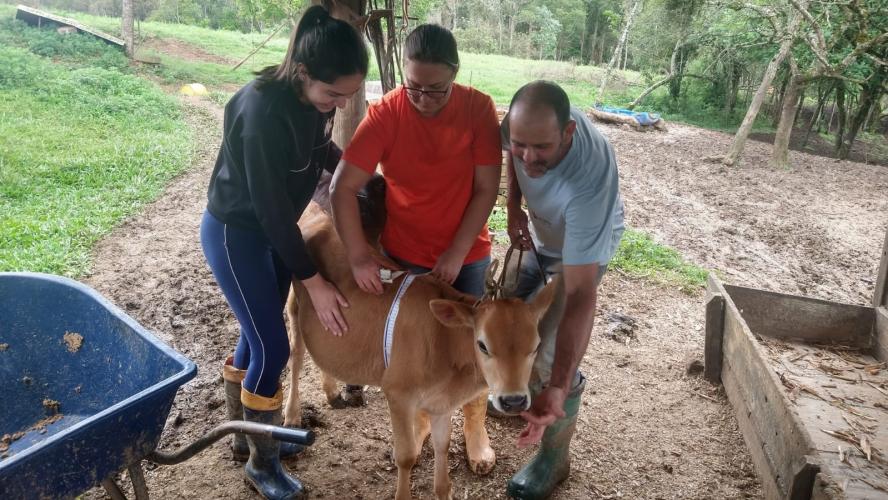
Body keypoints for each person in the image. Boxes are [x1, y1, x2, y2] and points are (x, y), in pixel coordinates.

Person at [199, 6, 368, 499]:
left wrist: (361, 176)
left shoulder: (317, 104)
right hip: (237, 234)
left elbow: (323, 152)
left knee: (257, 336)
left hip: (271, 232)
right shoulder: (260, 110)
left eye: (348, 95)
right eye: (332, 93)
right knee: (273, 345)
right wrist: (312, 280)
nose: (338, 103)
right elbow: (272, 210)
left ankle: (247, 440)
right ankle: (261, 465)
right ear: (302, 72)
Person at [329, 24, 502, 472]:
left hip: (465, 254)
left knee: (472, 346)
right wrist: (359, 255)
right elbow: (341, 188)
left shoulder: (478, 109)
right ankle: (426, 418)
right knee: (420, 352)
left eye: (436, 89)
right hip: (404, 254)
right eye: (414, 88)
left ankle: (474, 425)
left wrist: (455, 252)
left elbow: (486, 189)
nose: (423, 98)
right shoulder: (387, 112)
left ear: (456, 76)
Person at [499, 80, 625, 499]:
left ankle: (554, 456)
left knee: (550, 351)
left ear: (567, 133)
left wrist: (556, 382)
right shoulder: (520, 132)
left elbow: (580, 295)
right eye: (521, 144)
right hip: (540, 233)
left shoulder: (590, 182)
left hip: (582, 244)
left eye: (542, 148)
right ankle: (514, 390)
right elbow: (514, 157)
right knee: (504, 314)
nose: (529, 157)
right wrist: (514, 204)